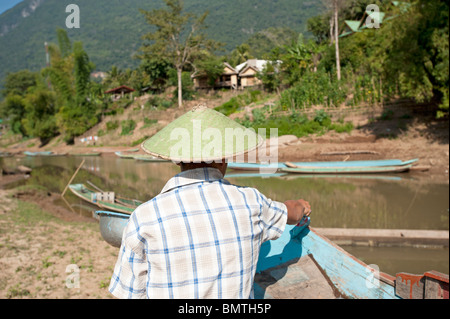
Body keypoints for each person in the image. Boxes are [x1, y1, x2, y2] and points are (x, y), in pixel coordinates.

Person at [109, 106, 311, 299]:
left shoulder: (144, 217)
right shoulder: (251, 202)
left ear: (178, 160)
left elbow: (129, 292)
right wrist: (302, 205)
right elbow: (291, 213)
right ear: (224, 158)